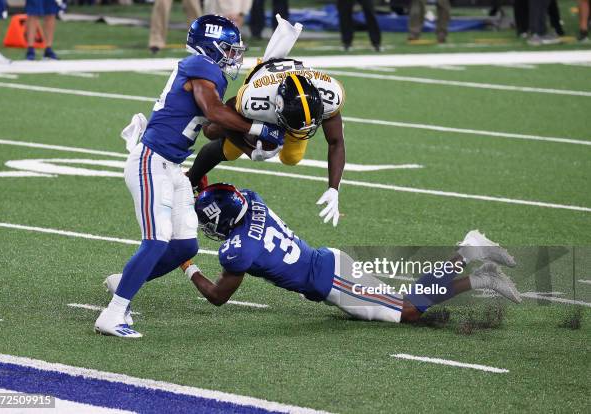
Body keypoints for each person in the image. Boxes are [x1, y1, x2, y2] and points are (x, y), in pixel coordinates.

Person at [94, 15, 284, 338]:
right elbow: (213, 112)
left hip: (172, 168)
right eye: (229, 49)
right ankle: (112, 315)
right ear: (211, 46)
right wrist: (256, 127)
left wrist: (253, 148)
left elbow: (212, 127)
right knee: (156, 241)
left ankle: (125, 281)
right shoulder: (201, 65)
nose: (233, 56)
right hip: (151, 161)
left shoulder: (209, 75)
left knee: (183, 245)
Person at [184, 183, 522, 324]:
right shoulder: (251, 199)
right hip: (327, 263)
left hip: (329, 279)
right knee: (407, 302)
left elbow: (217, 296)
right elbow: (223, 196)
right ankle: (478, 271)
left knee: (407, 311)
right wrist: (199, 188)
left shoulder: (237, 252)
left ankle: (471, 259)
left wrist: (187, 265)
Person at [186, 59, 346, 227]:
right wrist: (249, 148)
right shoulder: (255, 99)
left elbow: (336, 142)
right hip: (265, 81)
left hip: (295, 104)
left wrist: (333, 188)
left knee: (292, 157)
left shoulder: (329, 95)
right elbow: (219, 122)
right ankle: (192, 178)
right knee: (225, 144)